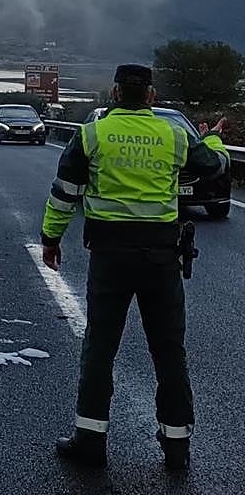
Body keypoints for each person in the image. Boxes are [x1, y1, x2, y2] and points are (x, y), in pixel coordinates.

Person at [43, 64, 229, 471]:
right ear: (150, 96)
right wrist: (212, 136)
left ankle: (90, 442)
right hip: (161, 260)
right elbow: (214, 166)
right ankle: (177, 446)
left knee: (100, 349)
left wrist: (50, 239)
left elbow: (65, 194)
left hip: (109, 259)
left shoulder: (92, 134)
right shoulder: (175, 135)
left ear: (114, 93)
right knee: (168, 351)